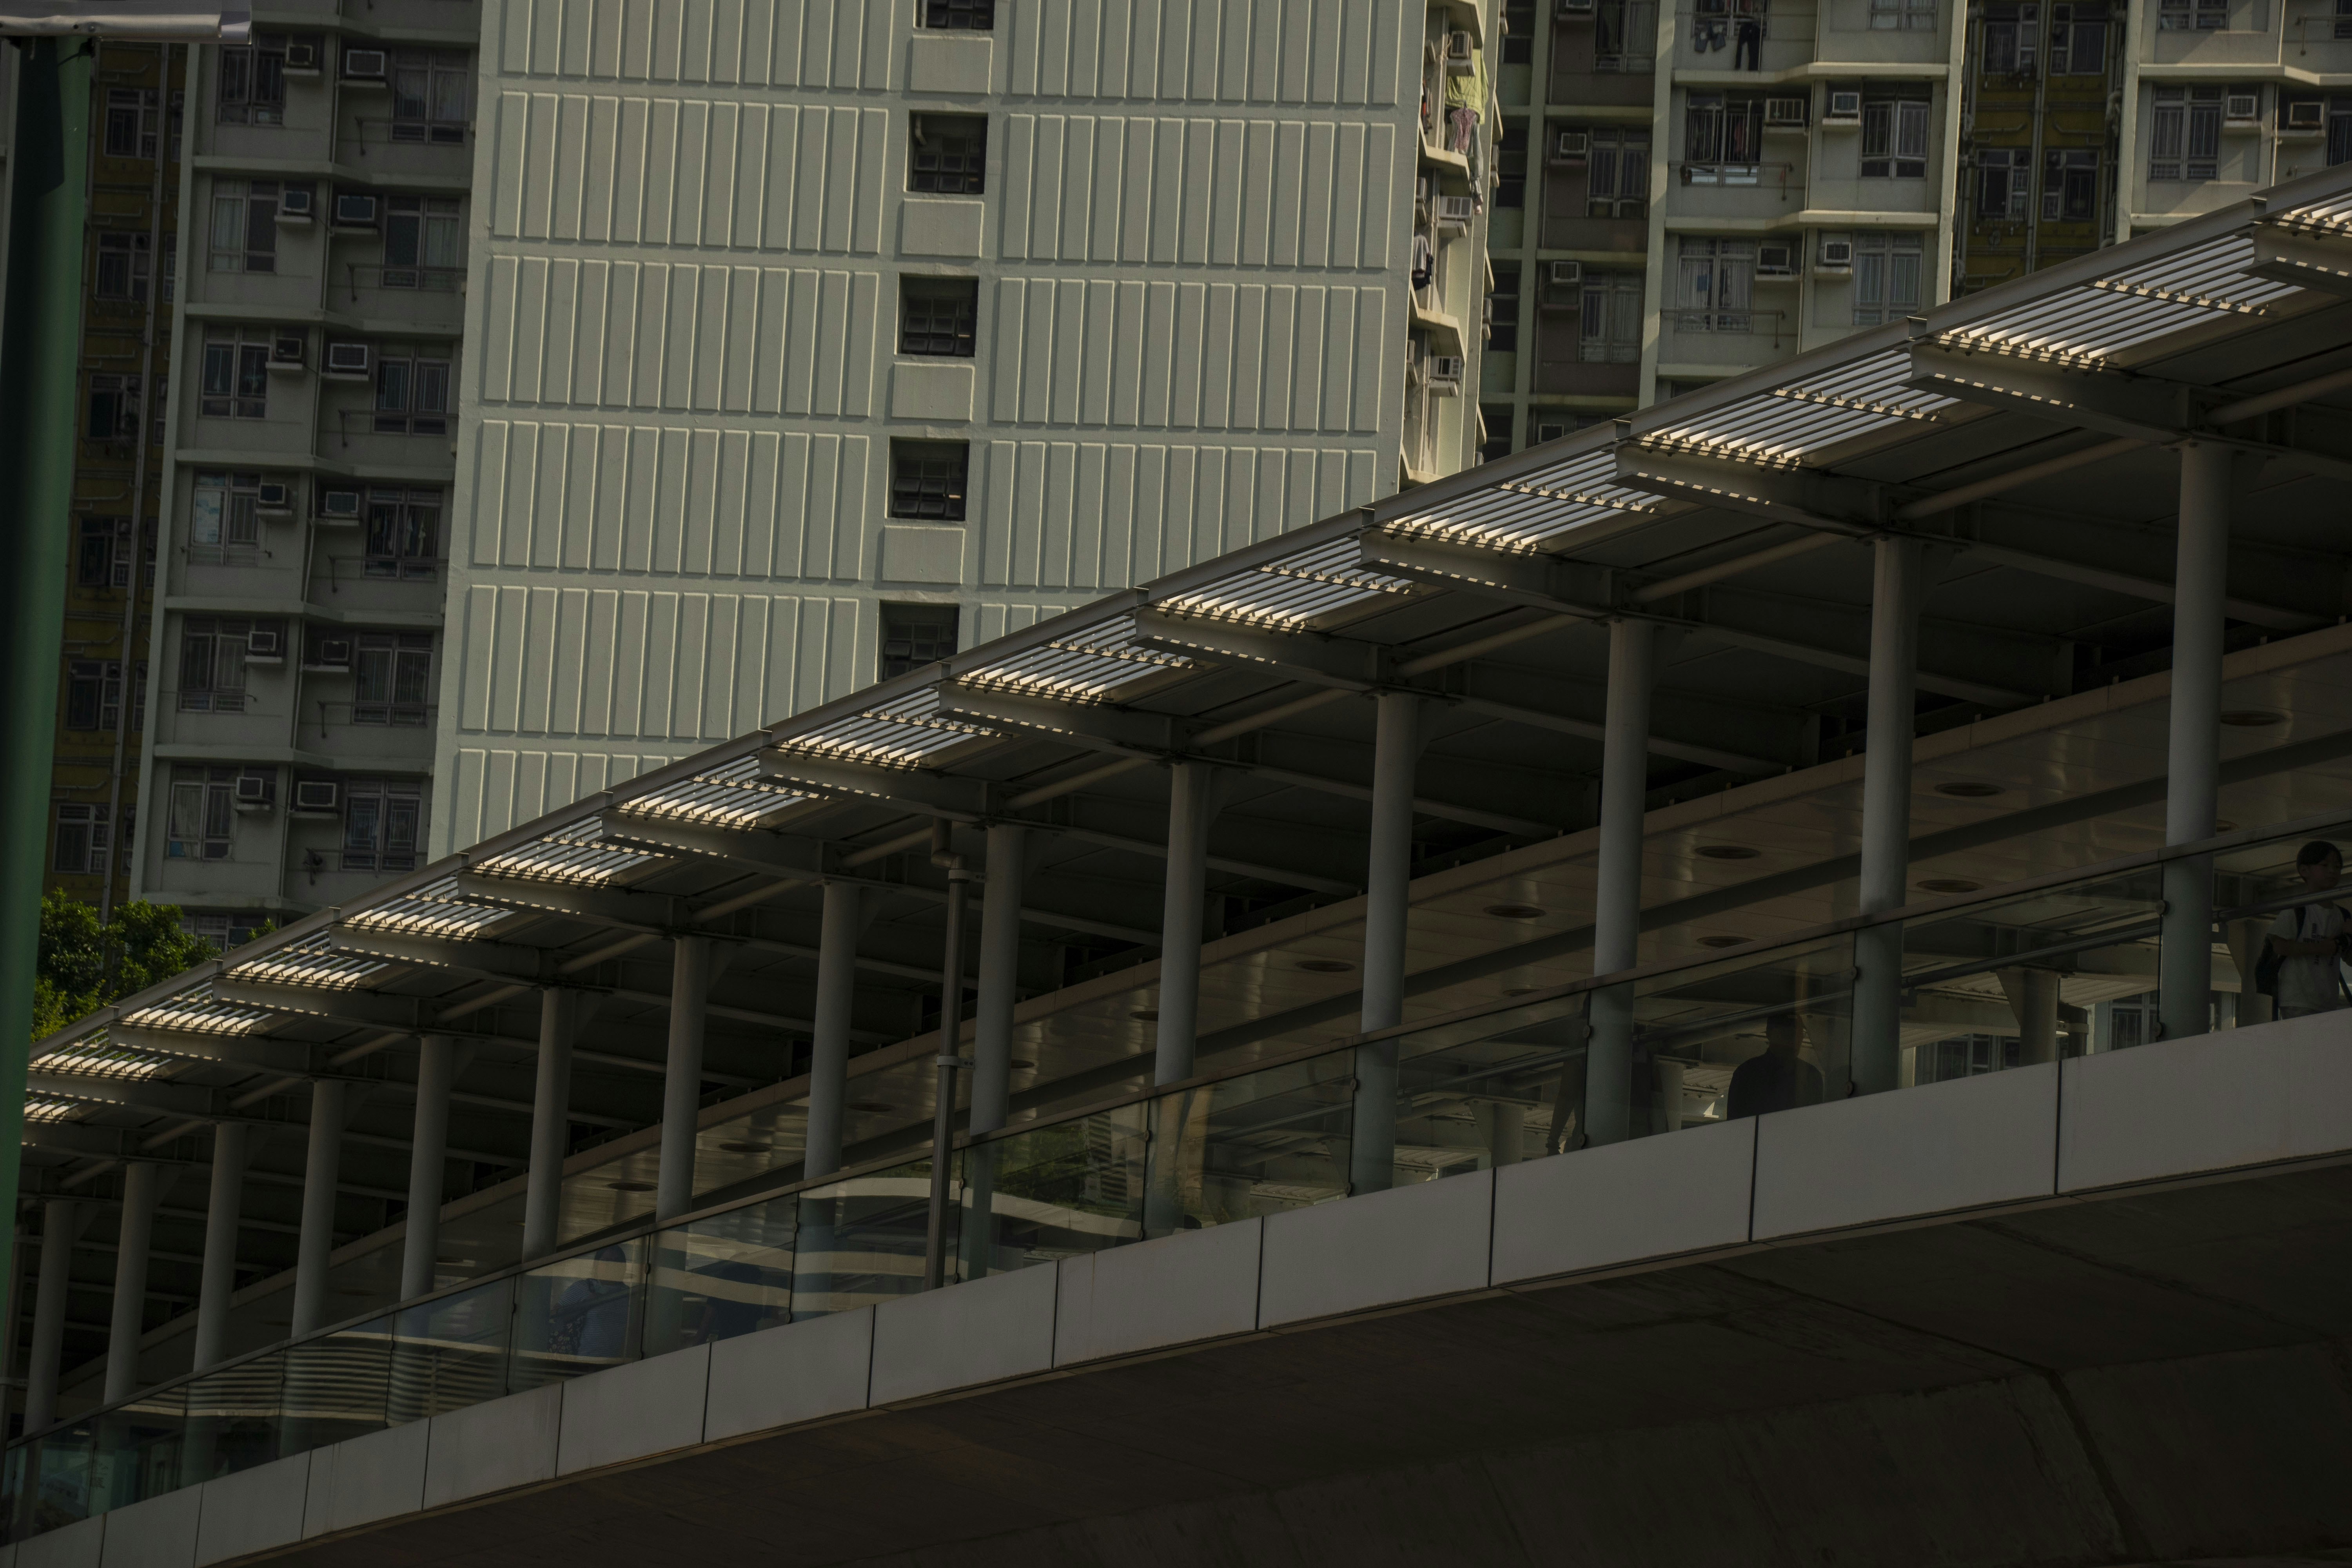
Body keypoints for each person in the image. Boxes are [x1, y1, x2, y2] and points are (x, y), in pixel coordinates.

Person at [2265, 840, 2349, 1018]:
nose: (2333, 871)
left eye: (2337, 866)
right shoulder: (2297, 910)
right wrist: (2321, 948)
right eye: (2325, 865)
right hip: (2298, 999)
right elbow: (2280, 946)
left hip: (2327, 1001)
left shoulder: (2342, 915)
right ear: (2305, 871)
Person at [1726, 1011, 1823, 1118]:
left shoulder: (1747, 1072)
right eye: (1788, 1033)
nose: (1794, 1040)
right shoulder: (1810, 1074)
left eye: (1800, 1034)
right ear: (1770, 1034)